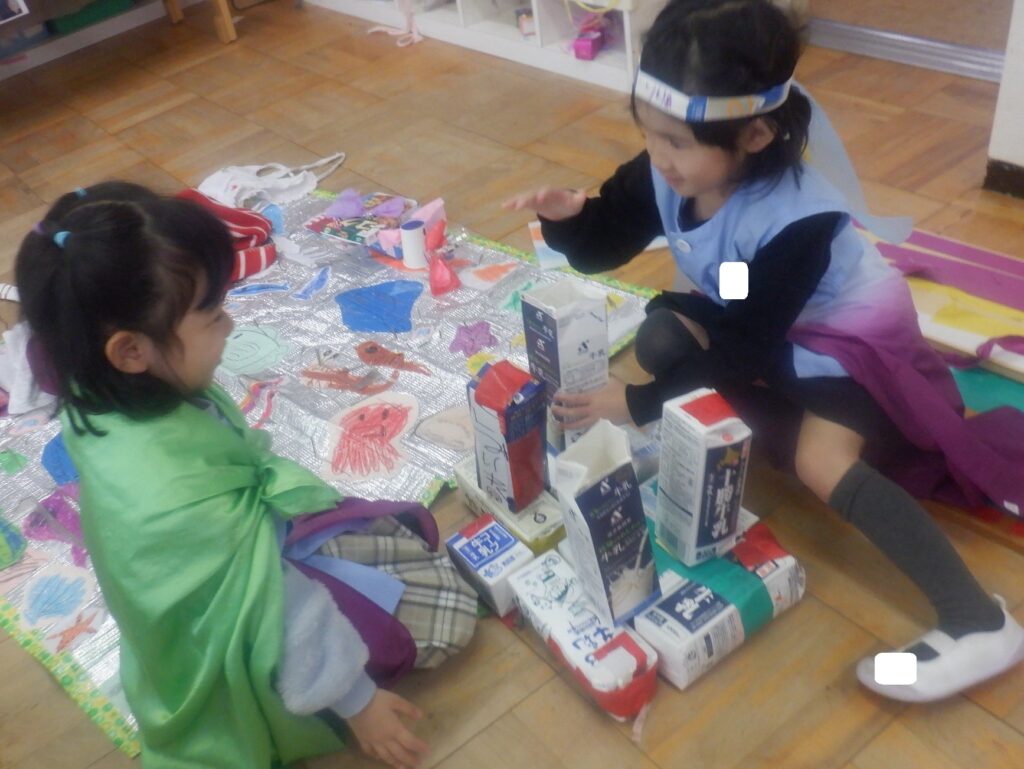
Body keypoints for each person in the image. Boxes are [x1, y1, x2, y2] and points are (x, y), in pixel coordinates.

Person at [505, 0, 1024, 702]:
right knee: (662, 338)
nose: (658, 157)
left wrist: (636, 402)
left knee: (818, 460)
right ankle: (751, 415)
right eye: (647, 133)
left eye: (675, 142)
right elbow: (608, 240)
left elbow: (745, 347)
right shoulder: (673, 167)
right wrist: (568, 220)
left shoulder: (798, 219)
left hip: (845, 343)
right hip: (757, 312)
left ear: (753, 134)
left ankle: (978, 619)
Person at [15, 182, 477, 769]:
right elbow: (277, 608)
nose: (231, 325)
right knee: (449, 615)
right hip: (239, 633)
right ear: (130, 352)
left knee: (393, 539)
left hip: (230, 564)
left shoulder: (97, 389)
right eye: (212, 315)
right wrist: (358, 703)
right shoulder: (170, 491)